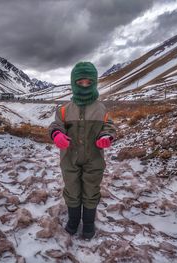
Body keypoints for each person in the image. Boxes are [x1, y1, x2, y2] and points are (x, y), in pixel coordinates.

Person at [48, 61, 117, 239]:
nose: (84, 85)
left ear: (94, 82)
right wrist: (57, 134)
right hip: (69, 159)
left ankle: (88, 223)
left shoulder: (101, 108)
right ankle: (73, 221)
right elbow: (56, 125)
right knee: (71, 189)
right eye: (80, 82)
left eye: (88, 82)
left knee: (91, 190)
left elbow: (109, 126)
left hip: (94, 159)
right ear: (73, 83)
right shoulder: (63, 110)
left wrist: (106, 136)